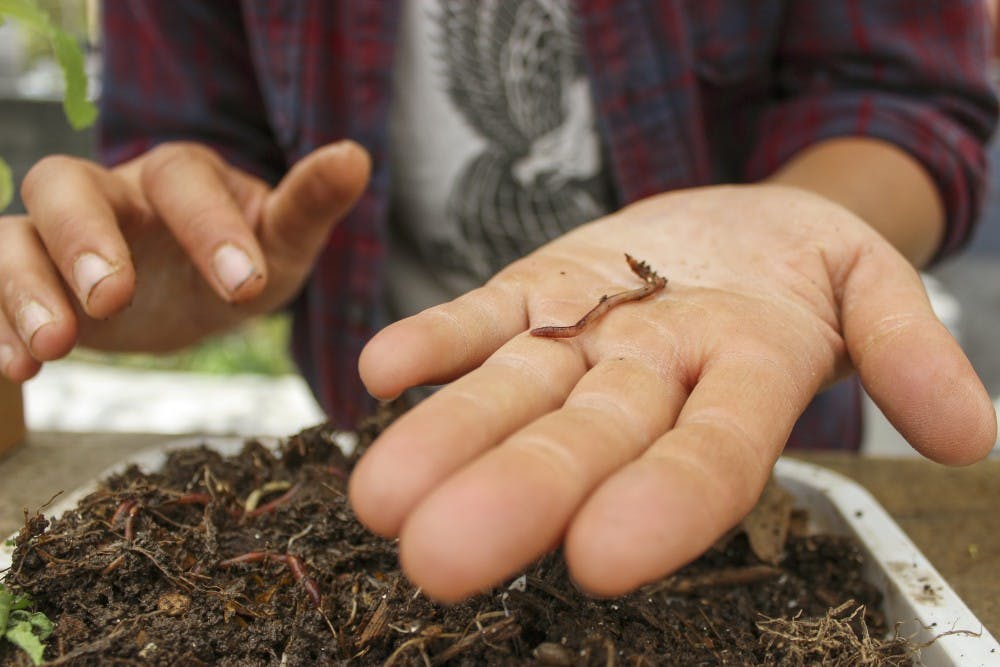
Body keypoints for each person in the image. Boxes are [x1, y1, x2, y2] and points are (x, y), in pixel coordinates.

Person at [0, 1, 996, 603]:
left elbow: (905, 95)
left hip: (755, 439)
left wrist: (789, 226)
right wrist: (201, 253)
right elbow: (194, 133)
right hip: (387, 432)